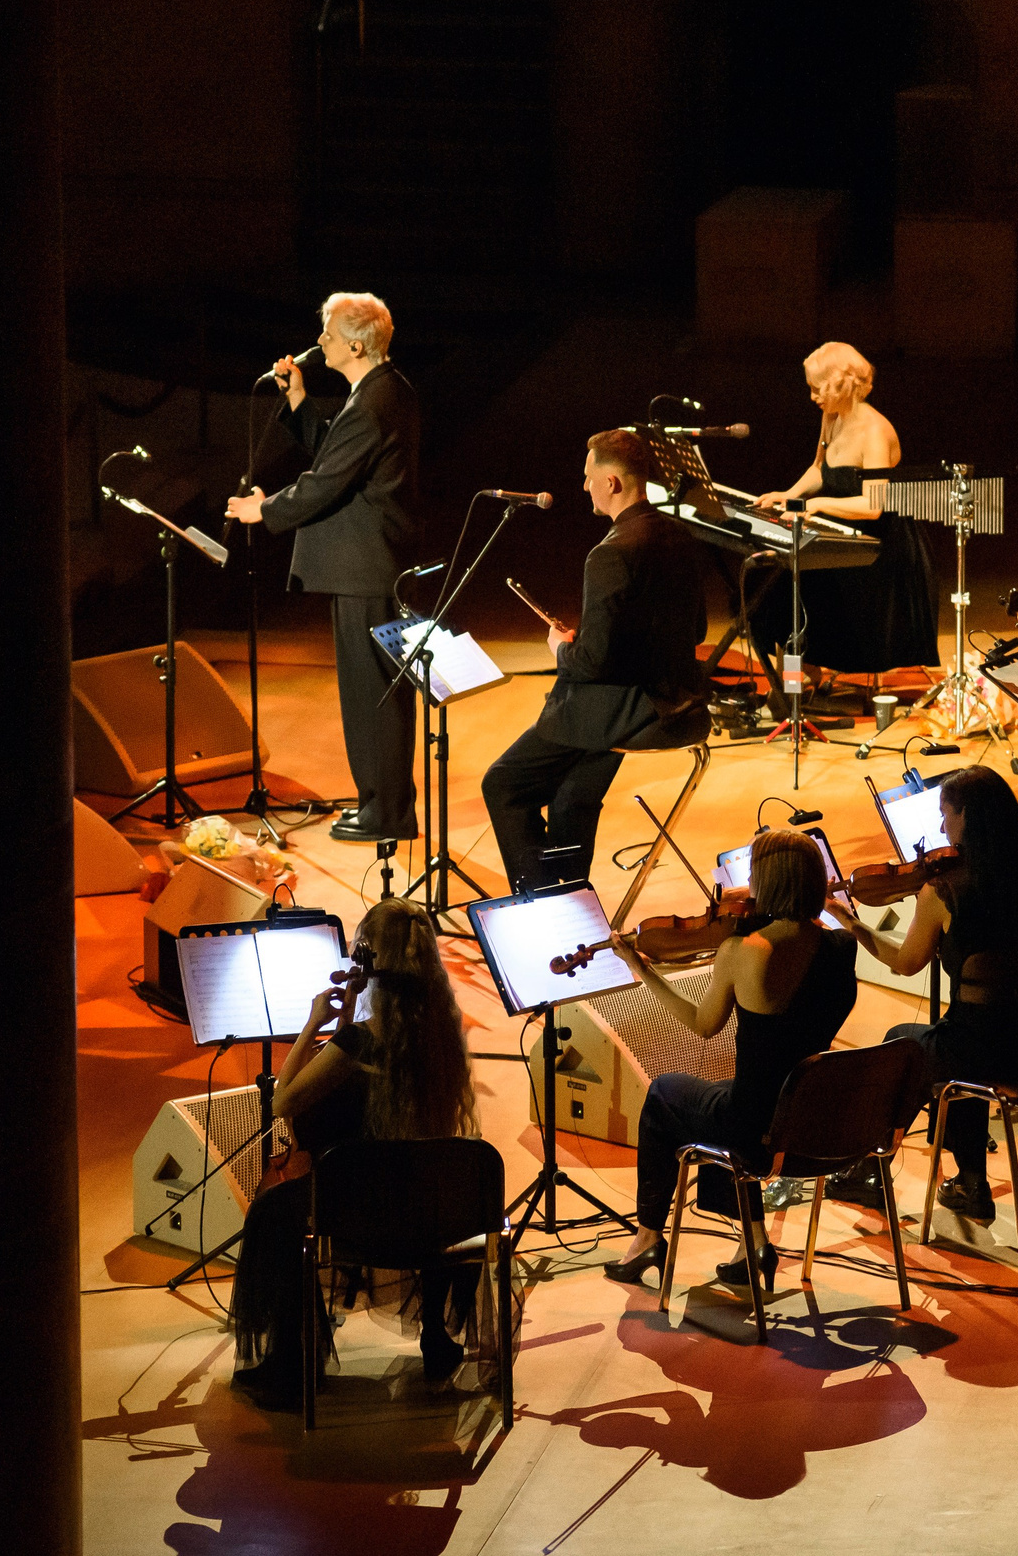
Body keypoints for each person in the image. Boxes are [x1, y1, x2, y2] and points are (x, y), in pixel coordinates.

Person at [229, 899, 483, 1410]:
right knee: (416, 1177)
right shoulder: (444, 1036)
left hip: (365, 1210)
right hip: (432, 1207)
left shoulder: (360, 1042)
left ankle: (291, 1365)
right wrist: (345, 1020)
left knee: (272, 1212)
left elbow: (283, 1101)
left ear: (369, 962)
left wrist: (314, 1024)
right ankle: (436, 1336)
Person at [601, 830, 859, 1290]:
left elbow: (704, 1025)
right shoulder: (841, 947)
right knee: (726, 1092)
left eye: (754, 875)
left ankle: (647, 1238)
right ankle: (753, 1242)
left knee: (664, 1094)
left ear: (770, 884)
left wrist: (642, 970)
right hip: (815, 1120)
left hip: (755, 1131)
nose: (747, 886)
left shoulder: (744, 952)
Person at [225, 293, 421, 844]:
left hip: (366, 568)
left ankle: (387, 813)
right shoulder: (385, 391)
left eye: (328, 335)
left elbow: (327, 481)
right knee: (371, 695)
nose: (319, 343)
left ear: (355, 345)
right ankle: (380, 804)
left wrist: (264, 510)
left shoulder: (374, 402)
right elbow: (338, 453)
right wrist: (298, 400)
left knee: (373, 697)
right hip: (369, 566)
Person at [480, 429, 709, 891]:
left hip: (633, 710)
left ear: (612, 483)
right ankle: (565, 893)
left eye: (589, 477)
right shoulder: (680, 535)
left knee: (503, 785)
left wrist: (561, 648)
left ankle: (544, 901)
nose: (584, 486)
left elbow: (591, 664)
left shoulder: (610, 553)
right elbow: (697, 630)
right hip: (681, 702)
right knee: (570, 796)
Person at [837, 765, 1018, 1222]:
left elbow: (906, 963)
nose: (941, 829)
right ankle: (968, 1180)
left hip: (979, 1050)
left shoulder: (943, 892)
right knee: (956, 1045)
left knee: (905, 1043)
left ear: (968, 817)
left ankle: (874, 1169)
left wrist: (853, 924)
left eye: (946, 815)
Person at [749, 341, 939, 677]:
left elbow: (873, 506)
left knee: (801, 590)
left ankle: (801, 678)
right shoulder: (831, 416)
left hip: (879, 548)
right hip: (841, 531)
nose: (812, 397)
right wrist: (788, 494)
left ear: (840, 384)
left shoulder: (875, 431)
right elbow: (819, 468)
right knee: (782, 593)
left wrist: (815, 504)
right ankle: (795, 683)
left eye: (816, 388)